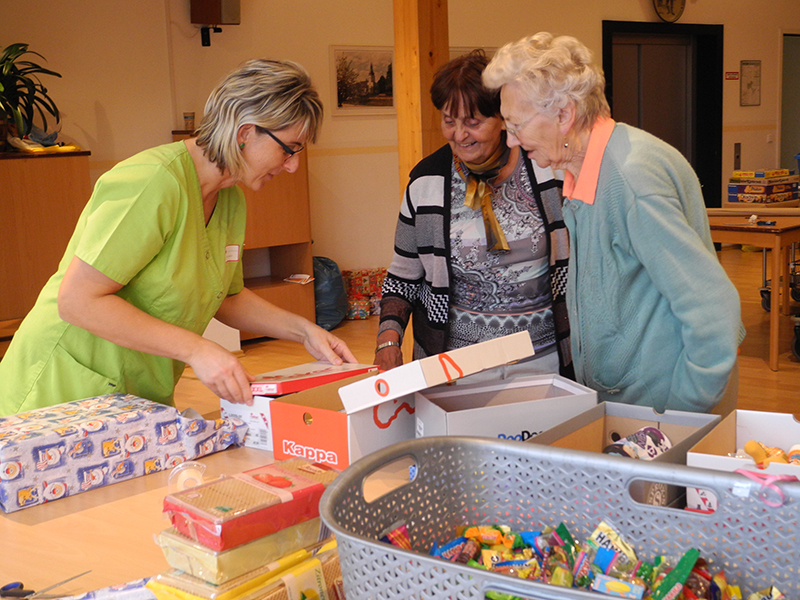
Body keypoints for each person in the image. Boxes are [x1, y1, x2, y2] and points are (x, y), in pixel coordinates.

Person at [0, 59, 357, 417]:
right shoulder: (152, 182)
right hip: (58, 390)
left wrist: (304, 331)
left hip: (133, 393)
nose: (293, 165)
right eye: (289, 148)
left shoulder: (230, 197)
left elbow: (225, 297)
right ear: (245, 133)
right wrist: (197, 350)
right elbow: (77, 300)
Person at [483, 32, 744, 413]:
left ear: (564, 114)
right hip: (636, 405)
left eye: (516, 124)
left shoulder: (630, 178)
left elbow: (713, 308)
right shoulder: (586, 169)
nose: (509, 140)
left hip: (664, 411)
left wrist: (680, 415)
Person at [375, 50, 574, 379]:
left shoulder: (546, 172)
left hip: (542, 362)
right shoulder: (426, 183)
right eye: (449, 121)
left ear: (502, 120)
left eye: (473, 122)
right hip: (455, 368)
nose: (459, 135)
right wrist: (388, 339)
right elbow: (402, 279)